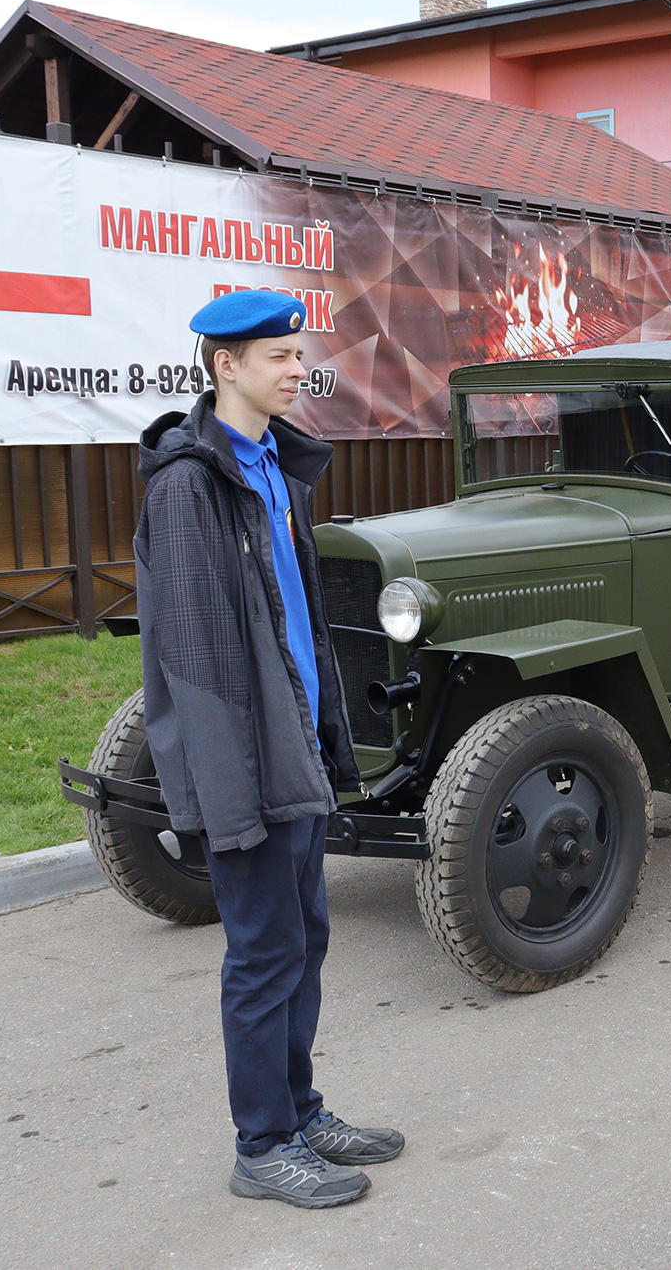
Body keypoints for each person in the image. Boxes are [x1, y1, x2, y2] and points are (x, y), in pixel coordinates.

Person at [135, 291, 404, 1208]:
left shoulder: (272, 469)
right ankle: (262, 1145)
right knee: (261, 953)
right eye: (281, 356)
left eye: (300, 354)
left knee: (304, 940)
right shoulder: (189, 486)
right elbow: (200, 663)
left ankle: (300, 1109)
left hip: (292, 746)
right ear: (226, 366)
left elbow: (297, 630)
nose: (300, 370)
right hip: (243, 765)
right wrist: (227, 797)